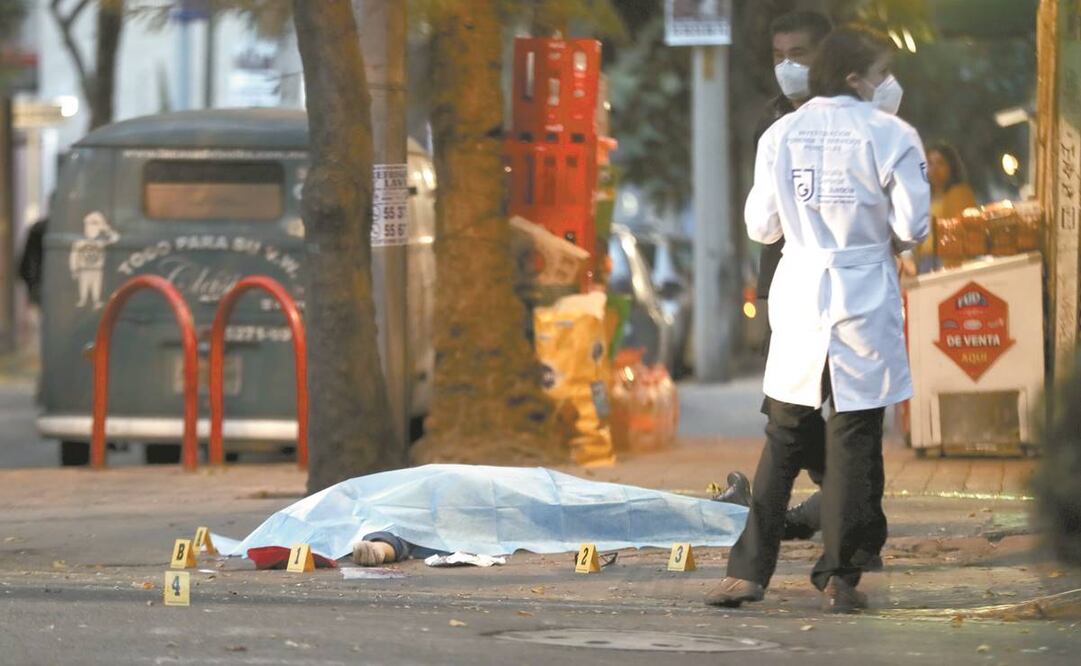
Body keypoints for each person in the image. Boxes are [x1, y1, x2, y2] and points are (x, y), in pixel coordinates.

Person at [706, 26, 929, 613]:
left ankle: (747, 573)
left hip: (802, 292)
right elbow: (912, 225)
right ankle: (839, 576)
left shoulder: (782, 133)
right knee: (855, 436)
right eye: (881, 73)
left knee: (783, 435)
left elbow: (762, 227)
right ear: (856, 79)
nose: (886, 84)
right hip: (862, 295)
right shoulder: (893, 135)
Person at [912, 142, 978, 272]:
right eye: (930, 163)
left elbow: (967, 233)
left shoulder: (960, 194)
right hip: (924, 262)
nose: (934, 169)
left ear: (951, 167)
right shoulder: (923, 199)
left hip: (949, 261)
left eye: (940, 163)